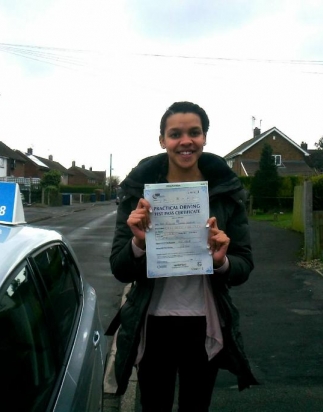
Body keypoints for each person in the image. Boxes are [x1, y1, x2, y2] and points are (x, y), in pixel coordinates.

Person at [106, 101, 258, 411]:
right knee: (154, 405)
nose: (185, 141)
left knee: (196, 405)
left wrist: (221, 262)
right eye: (175, 134)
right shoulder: (140, 192)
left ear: (204, 138)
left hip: (204, 322)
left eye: (194, 132)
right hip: (153, 322)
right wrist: (139, 245)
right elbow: (120, 269)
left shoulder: (225, 192)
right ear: (162, 140)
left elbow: (244, 264)